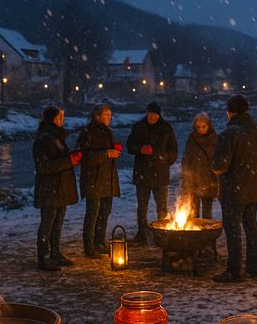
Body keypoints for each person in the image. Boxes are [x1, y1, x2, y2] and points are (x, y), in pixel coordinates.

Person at [212, 94, 257, 283]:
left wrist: (215, 166)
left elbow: (219, 165)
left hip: (233, 191)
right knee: (251, 227)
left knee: (233, 230)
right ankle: (252, 268)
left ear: (229, 112)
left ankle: (234, 270)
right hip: (253, 188)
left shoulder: (229, 134)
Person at [33, 105, 80, 271]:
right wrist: (69, 161)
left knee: (57, 222)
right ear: (52, 119)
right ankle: (44, 258)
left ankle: (55, 253)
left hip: (60, 187)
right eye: (60, 117)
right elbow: (44, 166)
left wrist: (72, 157)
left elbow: (58, 159)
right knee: (48, 223)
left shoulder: (56, 137)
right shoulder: (44, 139)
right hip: (49, 188)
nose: (63, 120)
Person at [126, 102, 178, 244]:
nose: (152, 117)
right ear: (147, 113)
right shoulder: (138, 127)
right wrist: (140, 149)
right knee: (142, 207)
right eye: (150, 114)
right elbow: (129, 146)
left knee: (162, 207)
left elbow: (173, 150)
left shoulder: (166, 128)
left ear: (159, 115)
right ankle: (142, 235)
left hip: (161, 174)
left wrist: (165, 161)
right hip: (142, 173)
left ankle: (161, 235)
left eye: (154, 115)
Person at [77, 104, 121, 258]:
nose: (109, 118)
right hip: (94, 179)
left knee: (104, 212)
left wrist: (113, 151)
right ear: (97, 116)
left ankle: (99, 242)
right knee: (93, 214)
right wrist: (107, 153)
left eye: (110, 115)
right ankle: (89, 247)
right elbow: (85, 157)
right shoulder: (88, 132)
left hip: (105, 179)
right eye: (107, 115)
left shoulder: (106, 131)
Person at [181, 112, 219, 219]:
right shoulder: (191, 139)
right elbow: (186, 159)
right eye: (198, 127)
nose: (201, 129)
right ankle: (196, 234)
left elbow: (218, 159)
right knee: (194, 212)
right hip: (194, 180)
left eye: (203, 126)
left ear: (208, 125)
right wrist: (185, 178)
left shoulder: (215, 139)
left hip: (209, 179)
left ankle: (206, 233)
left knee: (207, 212)